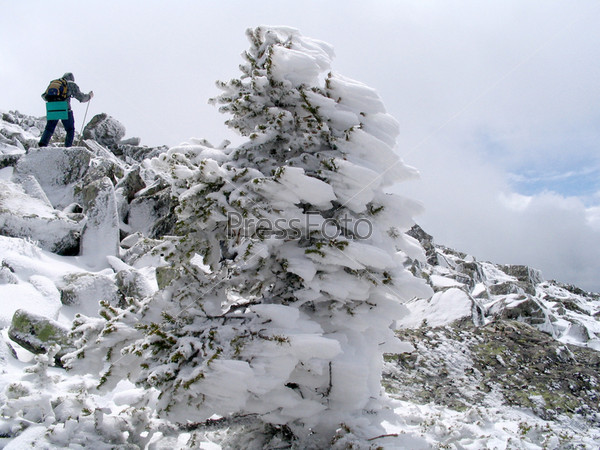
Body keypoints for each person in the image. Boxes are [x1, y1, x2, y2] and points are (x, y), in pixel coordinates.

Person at [39, 72, 93, 147]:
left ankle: (42, 144)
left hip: (52, 107)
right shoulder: (71, 84)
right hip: (64, 108)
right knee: (70, 129)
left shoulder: (55, 82)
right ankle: (68, 147)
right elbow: (82, 98)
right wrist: (89, 96)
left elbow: (44, 96)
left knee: (49, 128)